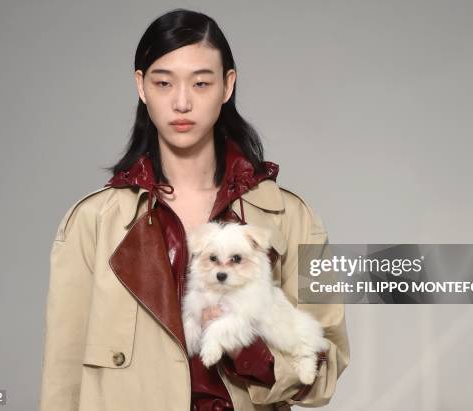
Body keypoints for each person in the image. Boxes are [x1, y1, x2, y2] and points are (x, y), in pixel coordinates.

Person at [39, 8, 350, 411]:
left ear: (227, 86)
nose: (182, 102)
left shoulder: (291, 217)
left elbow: (327, 366)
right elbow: (63, 373)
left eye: (201, 83)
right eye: (163, 82)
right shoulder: (92, 223)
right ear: (141, 86)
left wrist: (246, 347)